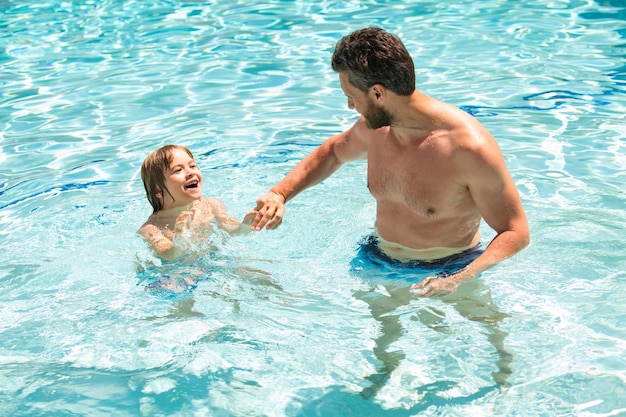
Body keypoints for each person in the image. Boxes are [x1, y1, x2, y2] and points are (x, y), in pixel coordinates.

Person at [251, 27, 530, 297]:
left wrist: (457, 280)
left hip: (449, 267)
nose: (350, 106)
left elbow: (515, 232)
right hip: (377, 256)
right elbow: (334, 151)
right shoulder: (375, 130)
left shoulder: (467, 148)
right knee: (382, 342)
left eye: (351, 96)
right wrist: (280, 193)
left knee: (494, 339)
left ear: (377, 93)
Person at [139, 144, 256, 261]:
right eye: (178, 170)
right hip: (177, 272)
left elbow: (231, 233)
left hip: (214, 258)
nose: (190, 172)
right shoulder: (152, 228)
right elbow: (168, 255)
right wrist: (180, 241)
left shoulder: (212, 205)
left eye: (192, 166)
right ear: (158, 190)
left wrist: (245, 227)